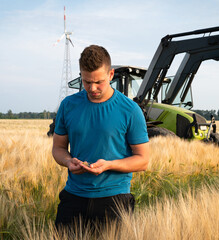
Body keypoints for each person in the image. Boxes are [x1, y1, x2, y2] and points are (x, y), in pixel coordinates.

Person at [52, 45, 149, 230]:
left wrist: (109, 165)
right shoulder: (68, 105)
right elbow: (58, 148)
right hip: (73, 198)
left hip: (114, 201)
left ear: (111, 74)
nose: (92, 88)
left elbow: (143, 161)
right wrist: (68, 161)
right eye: (86, 81)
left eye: (99, 82)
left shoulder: (130, 110)